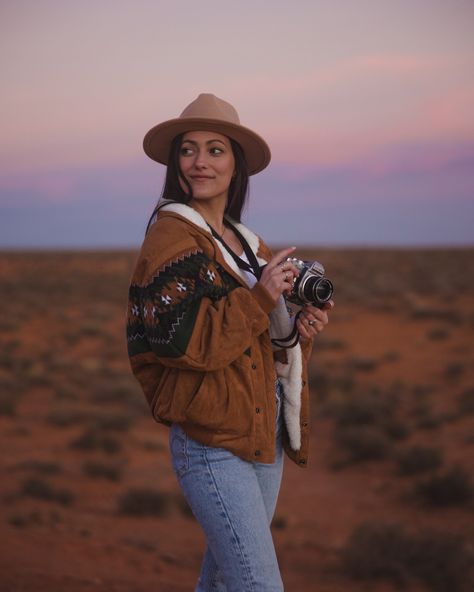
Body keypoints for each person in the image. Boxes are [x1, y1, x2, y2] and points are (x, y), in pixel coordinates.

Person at [126, 93, 333, 591]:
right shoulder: (173, 236)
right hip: (211, 439)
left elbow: (258, 345)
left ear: (236, 163)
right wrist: (260, 299)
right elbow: (184, 343)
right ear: (175, 162)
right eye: (189, 149)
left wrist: (297, 334)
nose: (200, 162)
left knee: (224, 583)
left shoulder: (246, 241)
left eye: (215, 149)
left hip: (263, 430)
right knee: (259, 586)